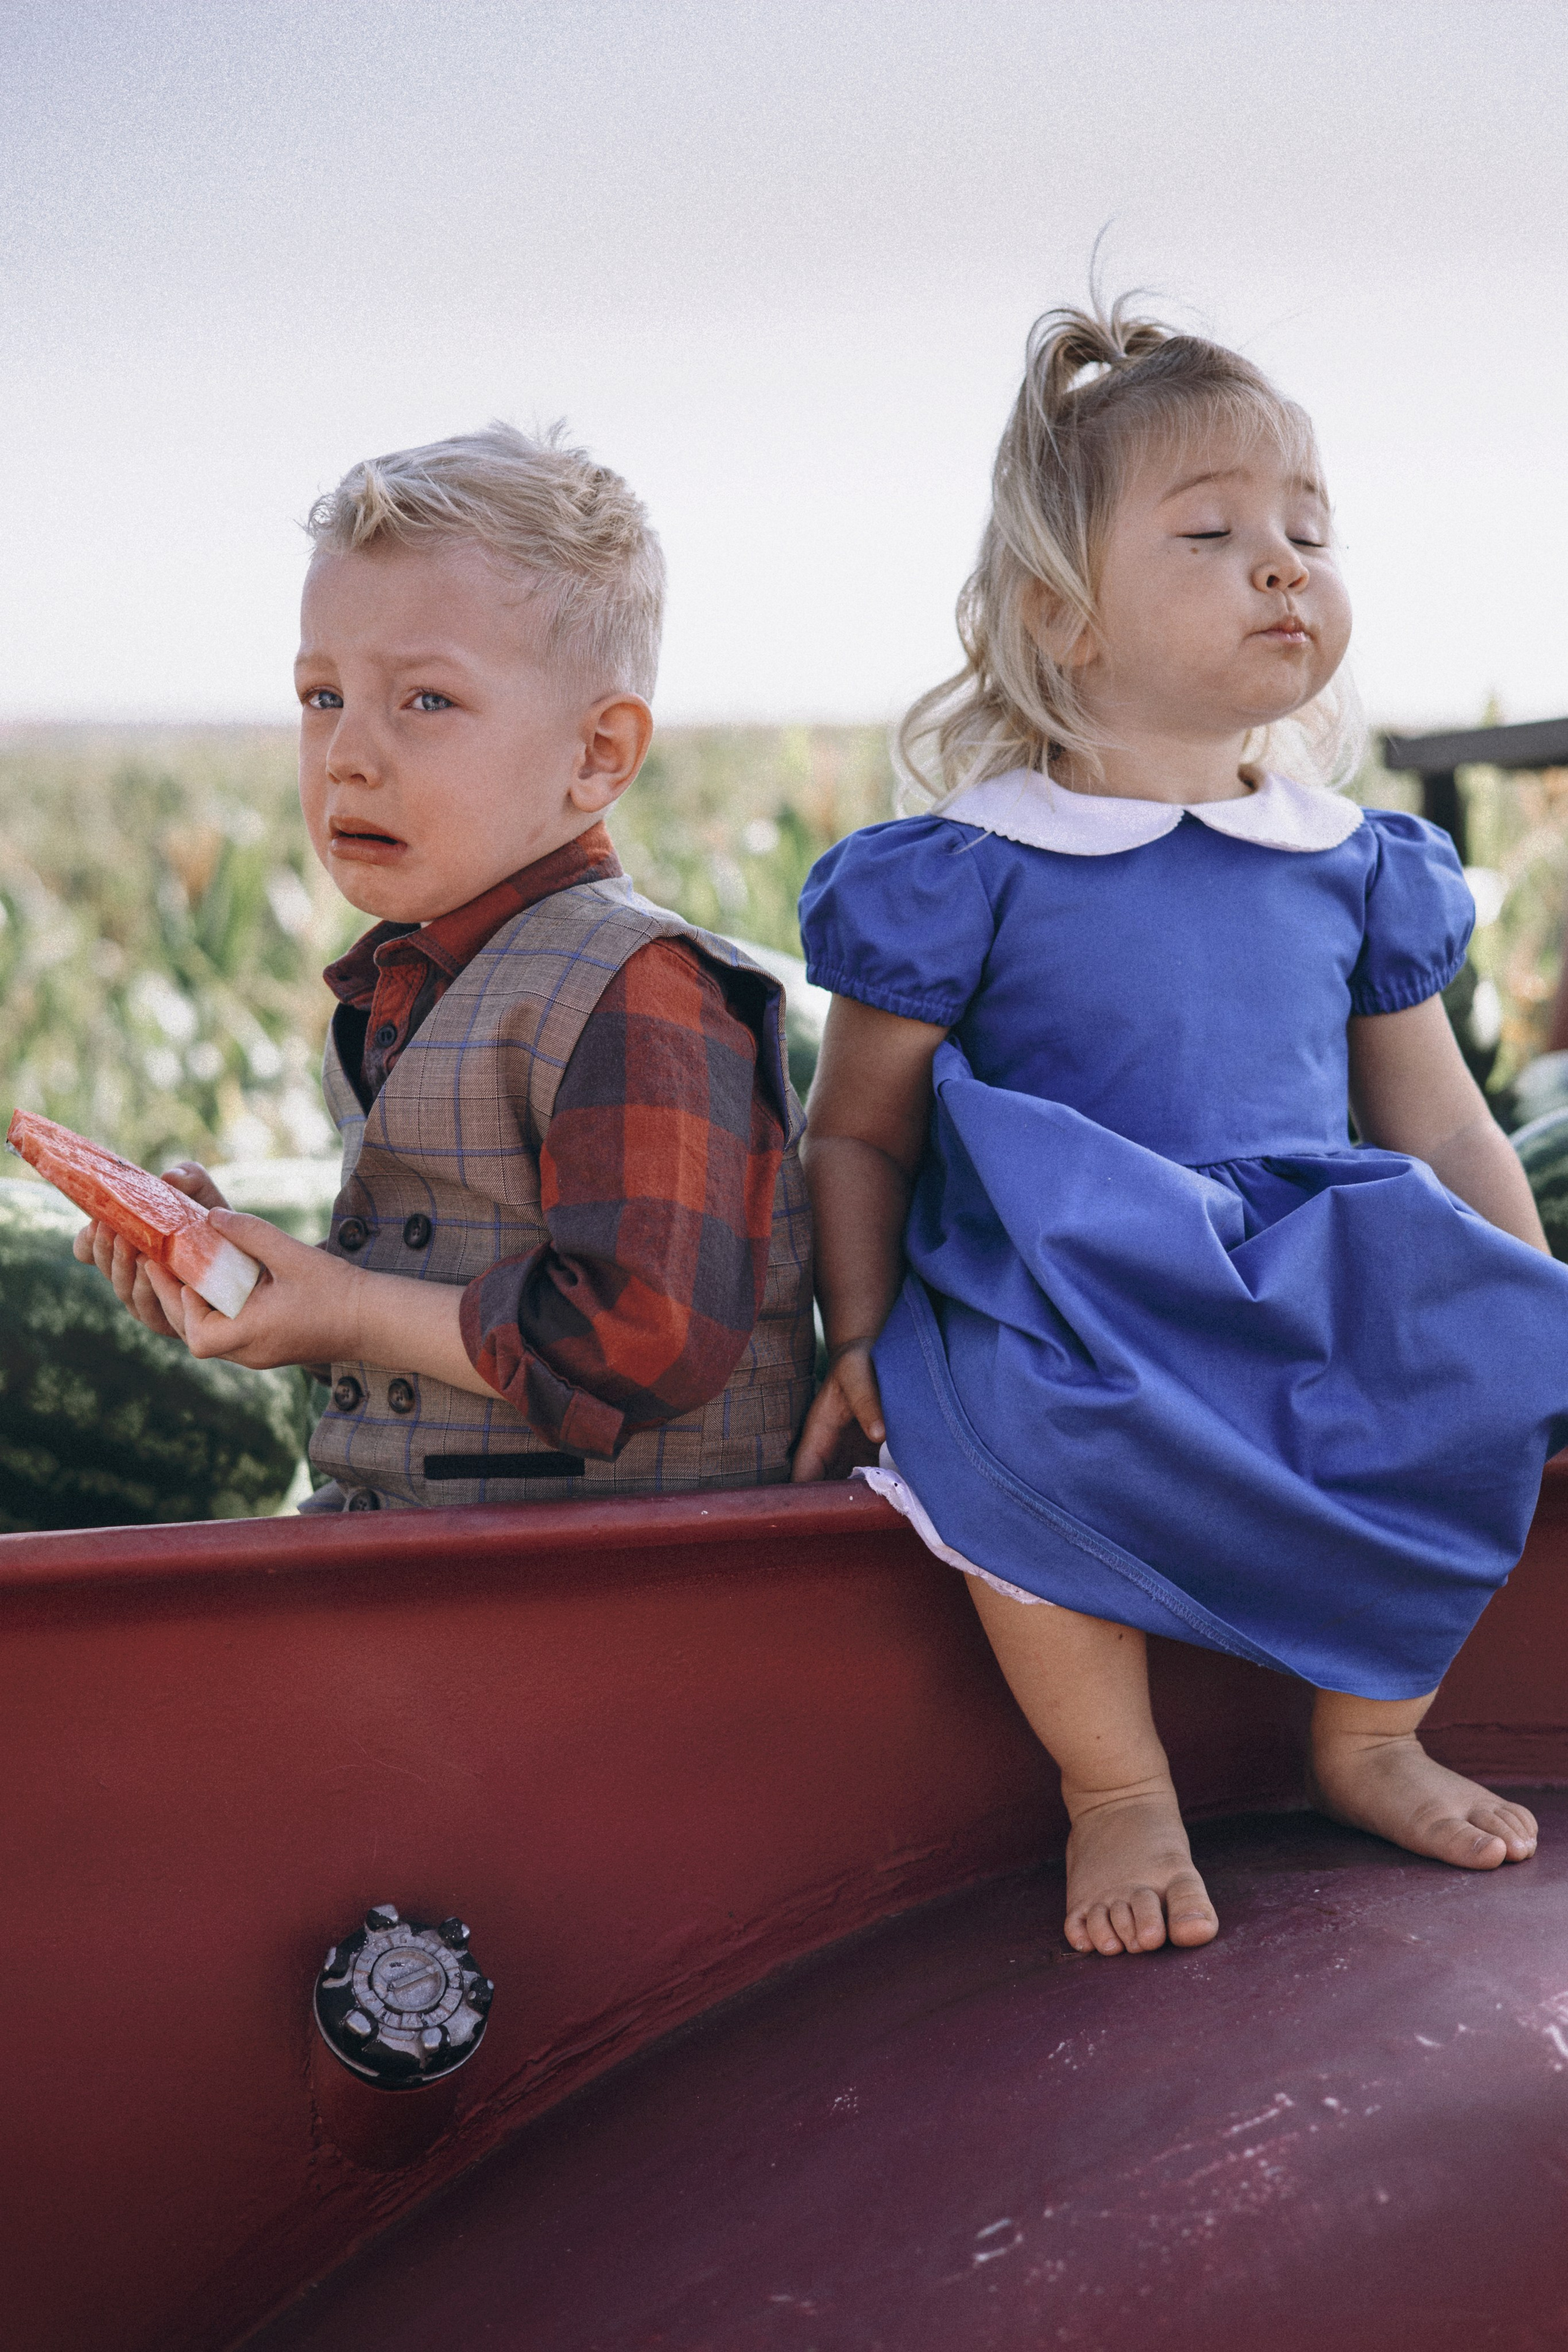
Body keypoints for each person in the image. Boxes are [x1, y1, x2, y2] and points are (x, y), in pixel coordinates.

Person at [792, 296, 1568, 1958]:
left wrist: (1529, 1309)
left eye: (1308, 531)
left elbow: (1441, 1129)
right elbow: (855, 1129)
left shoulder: (1349, 863)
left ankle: (1368, 1736)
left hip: (1301, 1255)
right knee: (1012, 1425)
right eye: (1211, 535)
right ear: (1058, 616)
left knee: (1476, 1383)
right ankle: (1116, 1786)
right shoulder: (971, 869)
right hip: (1074, 1274)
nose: (1281, 565)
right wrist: (856, 1327)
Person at [77, 424, 813, 1506]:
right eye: (323, 697)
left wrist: (352, 1309)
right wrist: (262, 1282)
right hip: (426, 1559)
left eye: (426, 700)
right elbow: (438, 1315)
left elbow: (645, 1336)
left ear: (598, 753)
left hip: (617, 1581)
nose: (347, 756)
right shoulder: (419, 982)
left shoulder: (639, 990)